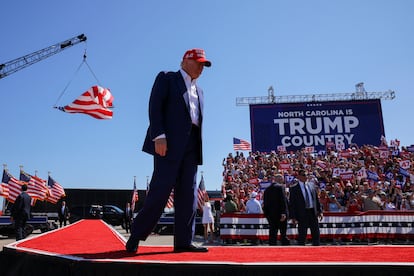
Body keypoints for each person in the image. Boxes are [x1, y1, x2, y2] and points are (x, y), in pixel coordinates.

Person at [126, 48, 212, 254]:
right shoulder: (167, 78)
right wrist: (159, 136)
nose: (201, 68)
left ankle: (183, 241)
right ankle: (136, 236)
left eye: (204, 65)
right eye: (198, 63)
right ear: (185, 61)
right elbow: (155, 106)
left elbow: (196, 120)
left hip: (192, 145)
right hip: (168, 143)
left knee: (188, 195)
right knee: (160, 191)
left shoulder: (200, 91)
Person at [289, 169, 323, 246]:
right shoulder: (294, 188)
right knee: (302, 233)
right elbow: (292, 204)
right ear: (299, 176)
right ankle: (302, 250)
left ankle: (317, 247)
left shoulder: (311, 186)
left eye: (307, 175)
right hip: (302, 213)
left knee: (316, 232)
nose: (306, 177)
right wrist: (293, 217)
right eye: (304, 175)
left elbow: (316, 199)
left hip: (312, 212)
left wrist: (319, 211)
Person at [263, 174, 290, 246]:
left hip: (271, 215)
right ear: (280, 179)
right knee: (283, 233)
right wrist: (283, 212)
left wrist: (266, 214)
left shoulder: (267, 189)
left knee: (272, 233)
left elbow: (265, 203)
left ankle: (272, 246)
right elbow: (283, 200)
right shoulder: (281, 187)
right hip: (280, 214)